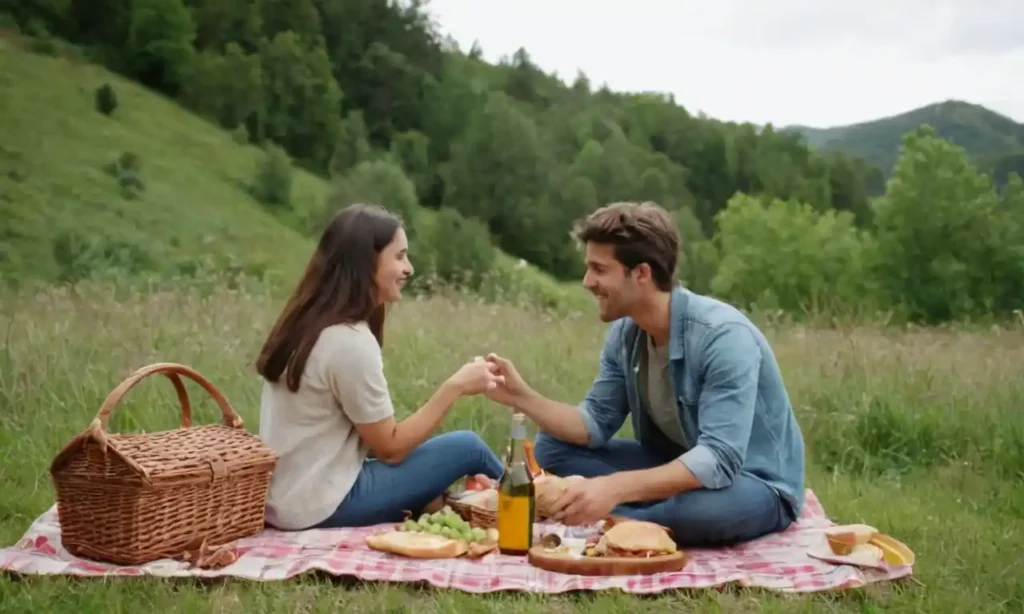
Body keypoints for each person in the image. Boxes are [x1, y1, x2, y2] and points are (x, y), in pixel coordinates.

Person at [484, 201, 806, 548]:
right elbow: (593, 423)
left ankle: (624, 518)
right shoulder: (627, 333)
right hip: (673, 462)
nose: (587, 282)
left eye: (599, 269)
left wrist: (613, 488)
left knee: (700, 512)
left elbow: (718, 459)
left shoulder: (723, 336)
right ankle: (642, 511)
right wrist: (521, 396)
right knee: (552, 445)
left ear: (642, 274)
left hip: (752, 481)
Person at [254, 203, 504, 531]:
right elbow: (390, 449)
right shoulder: (349, 341)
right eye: (399, 256)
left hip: (286, 498)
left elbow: (373, 440)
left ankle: (475, 499)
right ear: (367, 261)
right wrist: (455, 387)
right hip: (322, 503)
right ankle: (540, 502)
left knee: (442, 460)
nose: (409, 268)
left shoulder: (308, 323)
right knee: (467, 446)